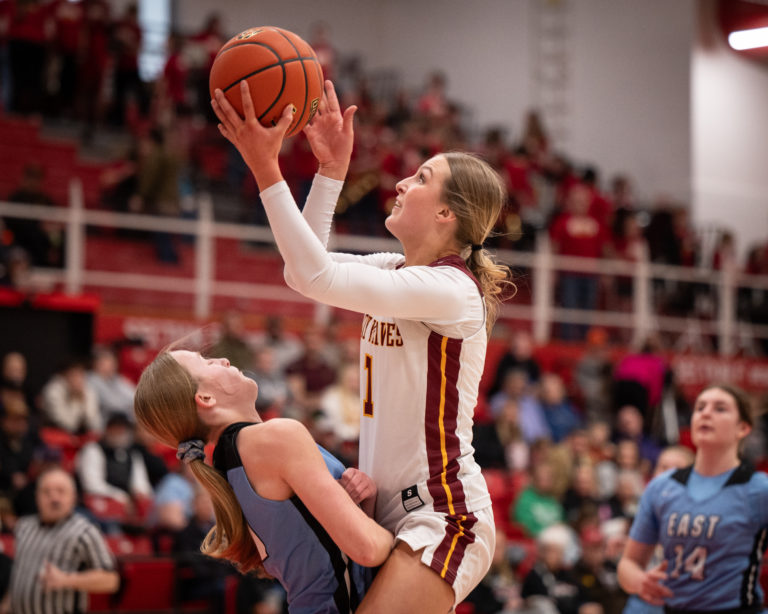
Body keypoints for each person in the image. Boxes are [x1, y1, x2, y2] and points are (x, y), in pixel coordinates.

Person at [212, 79, 511, 612]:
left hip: (443, 513)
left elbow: (314, 273)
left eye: (422, 178)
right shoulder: (396, 269)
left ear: (447, 214)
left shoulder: (452, 290)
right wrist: (329, 172)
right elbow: (303, 272)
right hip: (385, 509)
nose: (401, 182)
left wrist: (265, 168)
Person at [133, 349, 394, 613]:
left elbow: (332, 548)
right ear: (205, 398)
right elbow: (369, 549)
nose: (223, 359)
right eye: (207, 362)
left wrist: (363, 504)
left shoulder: (231, 461)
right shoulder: (272, 438)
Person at [617, 384, 768, 612]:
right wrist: (639, 581)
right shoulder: (662, 486)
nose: (706, 413)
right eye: (700, 407)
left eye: (720, 408)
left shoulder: (759, 489)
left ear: (743, 428)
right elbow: (628, 564)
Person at [0, 466, 119, 614]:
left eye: (61, 491)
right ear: (37, 496)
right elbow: (19, 576)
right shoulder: (24, 527)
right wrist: (6, 605)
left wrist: (66, 580)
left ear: (73, 497)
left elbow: (111, 580)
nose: (54, 498)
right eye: (46, 492)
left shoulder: (85, 532)